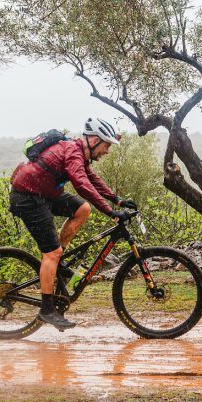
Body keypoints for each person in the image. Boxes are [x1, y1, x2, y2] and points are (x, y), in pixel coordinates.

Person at [9, 117, 135, 330]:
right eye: (106, 145)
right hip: (27, 197)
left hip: (44, 194)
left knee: (82, 209)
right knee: (51, 253)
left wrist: (116, 199)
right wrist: (109, 211)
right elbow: (81, 183)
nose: (107, 151)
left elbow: (91, 178)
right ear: (94, 140)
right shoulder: (73, 151)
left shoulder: (79, 153)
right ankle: (47, 310)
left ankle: (59, 258)